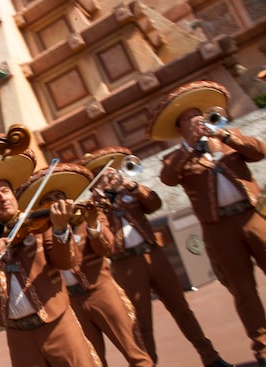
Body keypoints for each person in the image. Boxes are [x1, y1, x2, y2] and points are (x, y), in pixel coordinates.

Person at [147, 80, 266, 366]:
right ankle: (263, 346)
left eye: (198, 114)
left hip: (251, 216)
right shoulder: (176, 158)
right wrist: (191, 148)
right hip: (218, 228)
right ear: (180, 128)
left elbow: (259, 151)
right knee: (243, 289)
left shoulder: (227, 138)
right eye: (189, 118)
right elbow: (168, 179)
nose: (197, 119)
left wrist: (225, 135)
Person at [81, 145, 234, 367]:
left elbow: (154, 203)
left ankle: (210, 357)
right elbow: (102, 241)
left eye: (109, 170)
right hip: (126, 263)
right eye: (101, 174)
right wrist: (102, 201)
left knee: (181, 308)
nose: (107, 175)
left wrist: (131, 186)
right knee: (141, 322)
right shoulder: (95, 207)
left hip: (153, 254)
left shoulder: (129, 189)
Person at [0, 151, 102, 367]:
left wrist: (59, 230)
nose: (2, 198)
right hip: (18, 335)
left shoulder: (39, 225)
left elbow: (66, 263)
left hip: (56, 324)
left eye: (5, 191)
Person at [16, 163, 153, 367]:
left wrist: (92, 225)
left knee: (134, 350)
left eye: (59, 197)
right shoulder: (39, 232)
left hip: (100, 290)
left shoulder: (86, 216)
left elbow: (107, 249)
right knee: (93, 359)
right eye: (48, 200)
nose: (55, 204)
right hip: (70, 301)